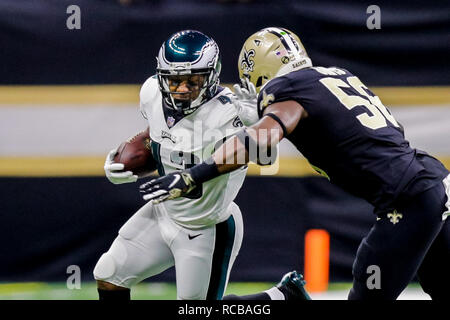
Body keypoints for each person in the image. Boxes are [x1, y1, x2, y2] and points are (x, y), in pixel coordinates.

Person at [140, 27, 450, 300]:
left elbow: (261, 140)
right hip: (435, 184)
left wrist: (195, 175)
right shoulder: (338, 75)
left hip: (410, 199)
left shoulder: (287, 89)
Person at [93, 30, 251, 300]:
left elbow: (245, 154)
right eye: (175, 81)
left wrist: (255, 124)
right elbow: (159, 137)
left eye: (192, 80)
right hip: (164, 212)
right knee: (110, 273)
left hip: (206, 225)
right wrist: (124, 161)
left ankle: (277, 297)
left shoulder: (229, 111)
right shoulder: (152, 92)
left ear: (212, 77)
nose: (181, 89)